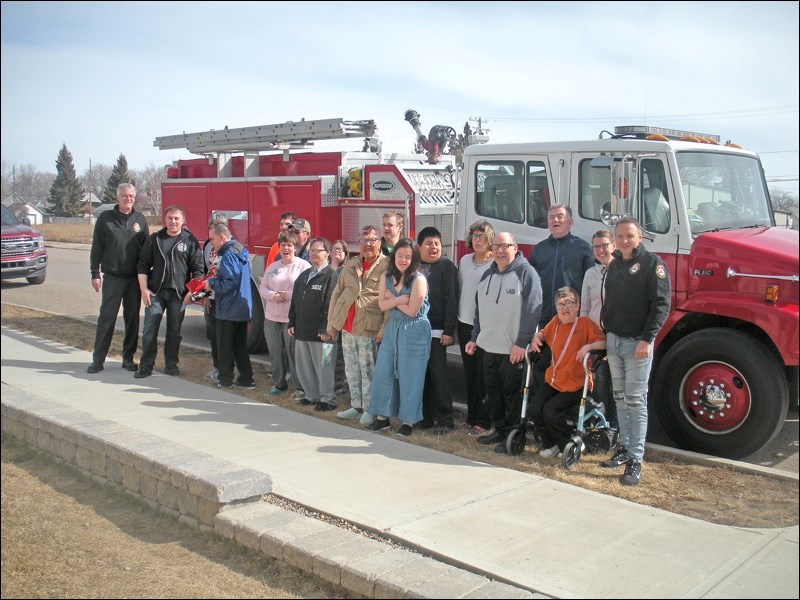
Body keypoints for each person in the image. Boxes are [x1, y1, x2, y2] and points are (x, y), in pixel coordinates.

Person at [600, 216, 671, 486]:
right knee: (620, 399)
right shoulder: (616, 264)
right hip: (615, 342)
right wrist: (609, 335)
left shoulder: (653, 265)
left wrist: (646, 340)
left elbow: (661, 306)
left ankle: (635, 460)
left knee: (636, 400)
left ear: (639, 237)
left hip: (637, 345)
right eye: (620, 236)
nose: (625, 240)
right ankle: (624, 448)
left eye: (630, 235)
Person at [465, 232, 542, 454]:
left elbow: (533, 310)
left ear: (515, 247)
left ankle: (513, 437)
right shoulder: (487, 275)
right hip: (489, 346)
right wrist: (474, 338)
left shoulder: (526, 273)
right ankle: (499, 430)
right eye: (496, 246)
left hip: (513, 349)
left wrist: (521, 342)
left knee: (512, 394)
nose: (500, 250)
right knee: (494, 392)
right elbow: (480, 310)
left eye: (505, 246)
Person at [529, 287, 606, 458]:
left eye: (569, 303)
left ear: (577, 305)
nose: (565, 308)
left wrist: (588, 346)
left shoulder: (585, 324)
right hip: (555, 380)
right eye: (560, 304)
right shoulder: (555, 323)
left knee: (550, 411)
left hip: (576, 384)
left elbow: (604, 343)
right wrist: (536, 338)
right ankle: (551, 444)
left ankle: (566, 445)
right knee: (535, 408)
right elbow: (542, 334)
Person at [366, 238, 431, 436]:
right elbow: (381, 305)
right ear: (394, 256)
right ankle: (382, 417)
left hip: (414, 331)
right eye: (400, 256)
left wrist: (392, 300)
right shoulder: (387, 275)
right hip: (393, 327)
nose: (403, 260)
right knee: (384, 371)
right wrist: (400, 299)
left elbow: (412, 311)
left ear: (414, 259)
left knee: (410, 376)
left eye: (408, 257)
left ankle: (408, 422)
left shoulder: (419, 279)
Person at [527, 204, 594, 392]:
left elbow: (590, 283)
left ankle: (565, 411)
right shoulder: (539, 249)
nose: (555, 220)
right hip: (545, 318)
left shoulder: (582, 248)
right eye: (551, 217)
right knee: (542, 365)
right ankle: (542, 408)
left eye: (560, 216)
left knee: (569, 366)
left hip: (570, 320)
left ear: (570, 222)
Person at [327, 225, 389, 425]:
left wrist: (383, 329)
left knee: (368, 369)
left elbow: (389, 301)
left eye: (372, 240)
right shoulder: (351, 264)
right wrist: (332, 324)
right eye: (364, 241)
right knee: (351, 369)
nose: (368, 245)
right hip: (347, 326)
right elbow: (337, 294)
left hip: (369, 327)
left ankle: (370, 409)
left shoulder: (387, 266)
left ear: (379, 243)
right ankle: (356, 406)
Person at [135, 205, 204, 379]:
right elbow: (142, 265)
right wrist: (144, 290)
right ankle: (146, 366)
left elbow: (198, 270)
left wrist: (192, 292)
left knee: (174, 332)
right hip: (156, 293)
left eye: (176, 218)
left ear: (183, 221)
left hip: (178, 295)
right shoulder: (155, 239)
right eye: (170, 218)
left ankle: (171, 366)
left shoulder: (190, 241)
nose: (173, 221)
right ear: (164, 220)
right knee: (150, 329)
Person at [87, 182, 150, 374]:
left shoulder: (140, 220)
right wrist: (95, 273)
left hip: (133, 280)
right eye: (125, 196)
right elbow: (96, 248)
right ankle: (98, 360)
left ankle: (128, 359)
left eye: (131, 196)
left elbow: (146, 252)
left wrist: (145, 280)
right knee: (107, 318)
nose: (128, 199)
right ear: (117, 197)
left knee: (132, 320)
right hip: (112, 278)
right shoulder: (106, 219)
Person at [288, 237, 339, 412]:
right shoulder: (304, 276)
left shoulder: (332, 276)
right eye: (311, 251)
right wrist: (292, 322)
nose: (314, 254)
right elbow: (295, 301)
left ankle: (327, 399)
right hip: (303, 331)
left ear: (328, 254)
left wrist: (326, 328)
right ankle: (311, 396)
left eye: (318, 250)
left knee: (325, 367)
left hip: (323, 336)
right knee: (305, 367)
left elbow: (331, 304)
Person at [416, 226, 459, 434]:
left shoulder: (447, 267)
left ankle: (445, 420)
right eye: (428, 244)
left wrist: (449, 330)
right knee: (420, 375)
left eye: (437, 244)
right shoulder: (414, 266)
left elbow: (453, 300)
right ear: (419, 247)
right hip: (416, 332)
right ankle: (425, 417)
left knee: (439, 376)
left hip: (437, 332)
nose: (433, 248)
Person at [258, 230, 310, 398]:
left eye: (289, 245)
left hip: (291, 319)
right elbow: (263, 287)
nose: (286, 248)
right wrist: (273, 296)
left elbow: (305, 289)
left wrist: (287, 296)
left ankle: (300, 387)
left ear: (295, 247)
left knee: (294, 354)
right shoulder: (273, 267)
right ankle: (279, 384)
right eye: (283, 245)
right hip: (271, 318)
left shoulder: (303, 266)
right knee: (275, 352)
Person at [204, 224, 255, 389]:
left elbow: (229, 282)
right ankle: (246, 379)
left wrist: (211, 283)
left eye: (212, 239)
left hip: (228, 308)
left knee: (224, 346)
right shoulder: (241, 252)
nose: (211, 243)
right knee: (240, 345)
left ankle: (225, 380)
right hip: (241, 307)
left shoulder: (228, 255)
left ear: (222, 237)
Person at [457, 219, 495, 434]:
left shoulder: (494, 264)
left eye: (482, 236)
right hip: (465, 324)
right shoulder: (464, 261)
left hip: (484, 327)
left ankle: (484, 419)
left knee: (484, 375)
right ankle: (471, 417)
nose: (477, 240)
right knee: (469, 373)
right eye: (474, 236)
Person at [579, 229, 617, 429]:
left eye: (605, 245)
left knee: (617, 387)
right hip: (595, 339)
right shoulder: (590, 274)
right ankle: (600, 428)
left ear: (614, 246)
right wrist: (583, 336)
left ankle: (615, 429)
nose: (601, 250)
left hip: (617, 339)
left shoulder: (621, 271)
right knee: (599, 386)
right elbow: (584, 307)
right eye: (596, 246)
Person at [201, 212, 229, 382]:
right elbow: (205, 272)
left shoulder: (230, 248)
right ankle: (217, 366)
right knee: (212, 333)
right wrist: (204, 295)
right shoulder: (207, 246)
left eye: (219, 224)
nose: (214, 228)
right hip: (210, 295)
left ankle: (226, 369)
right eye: (212, 225)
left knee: (224, 334)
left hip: (225, 297)